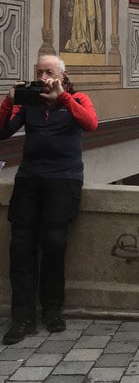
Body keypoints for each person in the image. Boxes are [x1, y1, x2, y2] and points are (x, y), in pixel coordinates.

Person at [0, 55, 98, 343]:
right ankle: (22, 317)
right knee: (21, 246)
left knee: (54, 243)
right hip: (29, 180)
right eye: (40, 72)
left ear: (62, 76)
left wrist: (64, 98)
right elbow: (2, 131)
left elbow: (90, 124)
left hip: (63, 180)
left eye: (49, 72)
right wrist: (9, 101)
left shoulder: (78, 98)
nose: (43, 77)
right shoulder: (28, 102)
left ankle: (53, 310)